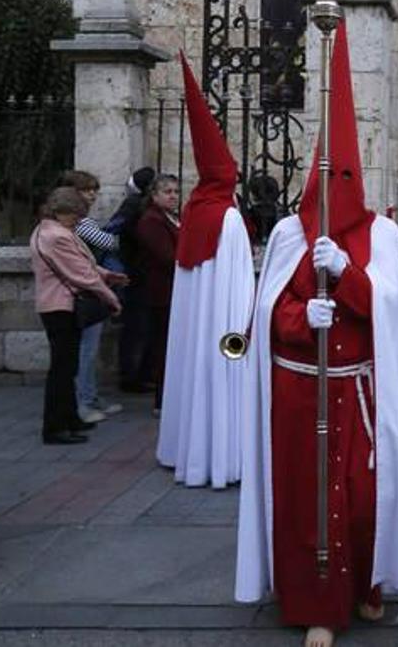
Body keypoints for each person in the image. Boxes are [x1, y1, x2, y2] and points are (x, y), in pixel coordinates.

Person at [235, 24, 398, 647]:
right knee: (307, 503)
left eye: (347, 180)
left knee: (363, 497)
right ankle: (316, 604)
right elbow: (270, 313)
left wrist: (350, 276)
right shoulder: (285, 236)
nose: (337, 193)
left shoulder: (383, 236)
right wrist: (300, 320)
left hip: (362, 393)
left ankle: (367, 581)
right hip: (301, 391)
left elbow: (391, 306)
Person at [156, 53, 253, 489]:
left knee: (190, 369)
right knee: (220, 374)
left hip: (197, 323)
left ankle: (183, 449)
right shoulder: (227, 217)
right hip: (225, 325)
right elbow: (238, 281)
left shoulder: (195, 210)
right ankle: (220, 455)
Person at [30, 187, 122, 445]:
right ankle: (55, 427)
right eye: (75, 215)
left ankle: (69, 418)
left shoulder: (48, 231)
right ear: (61, 212)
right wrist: (110, 297)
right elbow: (79, 273)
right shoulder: (56, 235)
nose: (79, 220)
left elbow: (84, 265)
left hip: (57, 304)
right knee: (62, 369)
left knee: (66, 367)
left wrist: (106, 275)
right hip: (61, 306)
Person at [59, 170, 124, 424]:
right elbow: (110, 243)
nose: (93, 195)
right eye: (87, 190)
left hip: (86, 291)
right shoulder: (82, 224)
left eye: (94, 190)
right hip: (83, 294)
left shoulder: (80, 222)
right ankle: (84, 401)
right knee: (85, 351)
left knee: (87, 350)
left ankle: (89, 397)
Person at [107, 166, 157, 394]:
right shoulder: (135, 204)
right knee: (136, 327)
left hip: (140, 273)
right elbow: (112, 230)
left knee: (140, 328)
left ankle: (138, 375)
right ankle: (131, 376)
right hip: (134, 273)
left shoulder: (141, 204)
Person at [136, 174, 180, 414]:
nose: (173, 196)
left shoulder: (170, 218)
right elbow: (167, 257)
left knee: (170, 346)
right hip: (161, 292)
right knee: (163, 346)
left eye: (175, 191)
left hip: (172, 291)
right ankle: (162, 401)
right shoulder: (151, 221)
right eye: (167, 192)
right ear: (154, 195)